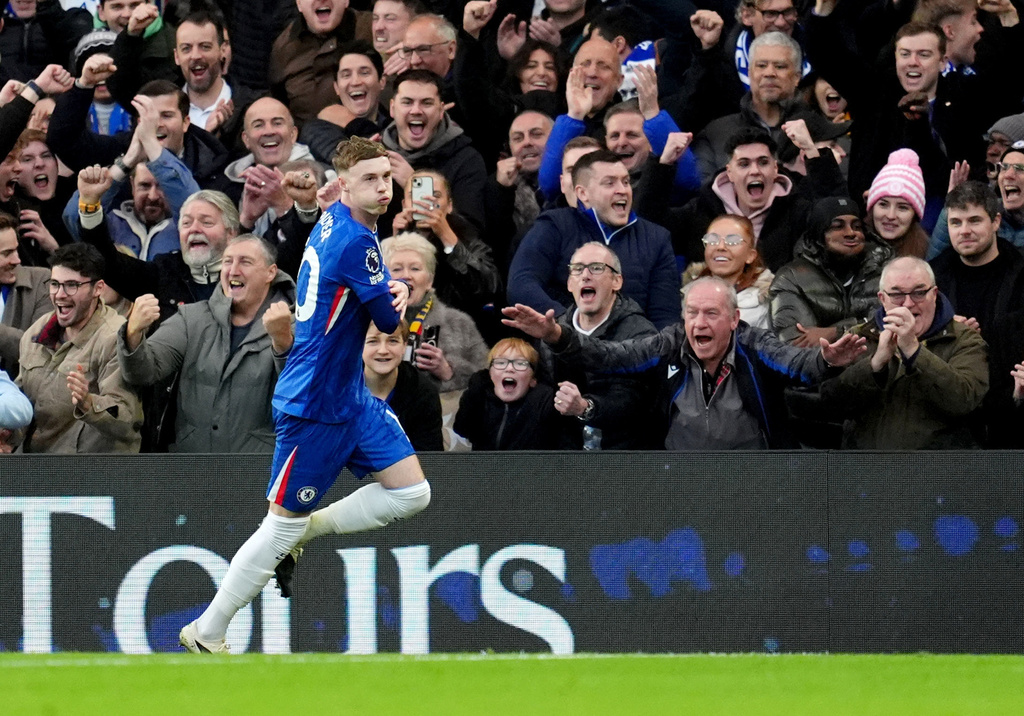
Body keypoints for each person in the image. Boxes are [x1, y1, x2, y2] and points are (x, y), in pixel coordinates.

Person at [179, 136, 429, 654]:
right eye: (371, 180)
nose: (383, 188)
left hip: (348, 395)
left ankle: (308, 530)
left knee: (411, 494)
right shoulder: (356, 242)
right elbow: (387, 321)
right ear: (346, 185)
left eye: (387, 177)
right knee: (277, 529)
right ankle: (207, 631)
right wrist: (398, 293)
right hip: (314, 401)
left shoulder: (335, 218)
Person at [502, 276, 868, 449]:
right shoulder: (671, 342)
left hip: (754, 483)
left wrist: (826, 360)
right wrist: (556, 336)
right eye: (692, 313)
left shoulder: (755, 344)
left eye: (711, 313)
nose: (699, 323)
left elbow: (797, 364)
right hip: (679, 482)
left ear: (734, 319)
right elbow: (611, 356)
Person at [116, 234, 296, 453]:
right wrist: (133, 333)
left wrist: (283, 342)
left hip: (261, 470)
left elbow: (304, 394)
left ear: (271, 272)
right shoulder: (191, 318)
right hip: (194, 468)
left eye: (245, 262)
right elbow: (143, 372)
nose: (233, 270)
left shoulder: (297, 324)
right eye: (228, 261)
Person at [818, 256, 989, 449]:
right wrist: (874, 365)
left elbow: (964, 401)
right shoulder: (859, 337)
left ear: (934, 294)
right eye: (897, 294)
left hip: (940, 471)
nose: (907, 304)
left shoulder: (965, 339)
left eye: (918, 293)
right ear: (882, 298)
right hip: (867, 470)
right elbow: (832, 407)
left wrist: (914, 351)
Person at [508, 149, 681, 330]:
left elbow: (665, 317)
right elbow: (521, 283)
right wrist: (568, 326)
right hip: (563, 349)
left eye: (626, 182)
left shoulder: (656, 238)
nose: (622, 190)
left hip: (631, 351)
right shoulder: (555, 225)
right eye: (609, 183)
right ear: (583, 194)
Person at [14, 243, 143, 453]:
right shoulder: (36, 332)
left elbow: (127, 422)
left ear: (98, 288)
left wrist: (88, 402)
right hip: (35, 467)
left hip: (90, 475)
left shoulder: (115, 337)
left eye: (72, 285)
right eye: (54, 284)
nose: (60, 294)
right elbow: (24, 400)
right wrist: (9, 429)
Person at [930, 181, 1024, 447]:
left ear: (995, 221)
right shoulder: (931, 279)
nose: (964, 231)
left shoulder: (1021, 272)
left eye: (974, 220)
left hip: (1011, 413)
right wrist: (945, 329)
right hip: (950, 415)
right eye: (955, 222)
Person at [547, 241, 660, 450]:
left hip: (625, 461)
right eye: (577, 269)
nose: (585, 275)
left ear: (617, 281)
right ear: (570, 284)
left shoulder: (641, 333)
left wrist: (584, 407)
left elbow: (632, 402)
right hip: (565, 462)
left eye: (597, 268)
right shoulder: (552, 333)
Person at [769, 196, 891, 346]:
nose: (851, 233)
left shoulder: (886, 271)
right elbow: (796, 343)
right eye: (837, 226)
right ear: (818, 234)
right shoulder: (791, 278)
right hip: (823, 368)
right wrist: (864, 325)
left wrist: (835, 332)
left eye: (857, 226)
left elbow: (894, 324)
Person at [381, 231, 489, 393]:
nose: (406, 276)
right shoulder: (366, 322)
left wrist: (448, 371)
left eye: (415, 268)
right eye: (397, 269)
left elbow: (487, 380)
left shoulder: (458, 322)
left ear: (429, 280)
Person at [390, 168, 501, 321]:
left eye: (435, 196)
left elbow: (489, 288)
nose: (427, 202)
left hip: (455, 328)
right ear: (404, 204)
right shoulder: (396, 235)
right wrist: (395, 242)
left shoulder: (468, 235)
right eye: (416, 196)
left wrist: (448, 238)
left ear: (449, 205)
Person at [453, 337, 563, 450]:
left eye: (520, 363)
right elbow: (462, 429)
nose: (509, 368)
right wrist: (474, 392)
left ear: (532, 380)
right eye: (500, 363)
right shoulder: (480, 395)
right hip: (484, 466)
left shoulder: (543, 400)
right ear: (490, 374)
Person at [363, 320, 443, 451]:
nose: (383, 350)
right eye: (373, 341)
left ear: (405, 346)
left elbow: (430, 457)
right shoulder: (338, 388)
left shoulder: (423, 392)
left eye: (393, 341)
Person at [683, 214, 773, 329]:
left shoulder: (769, 299)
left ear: (751, 255)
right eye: (712, 240)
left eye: (733, 241)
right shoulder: (686, 293)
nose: (720, 247)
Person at [0, 212, 51, 376]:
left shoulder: (41, 282)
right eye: (7, 253)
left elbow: (40, 350)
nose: (17, 260)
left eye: (16, 250)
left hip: (20, 392)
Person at [865, 149, 930, 259]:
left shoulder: (928, 254)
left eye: (902, 208)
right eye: (883, 205)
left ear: (915, 215)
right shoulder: (853, 248)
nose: (891, 216)